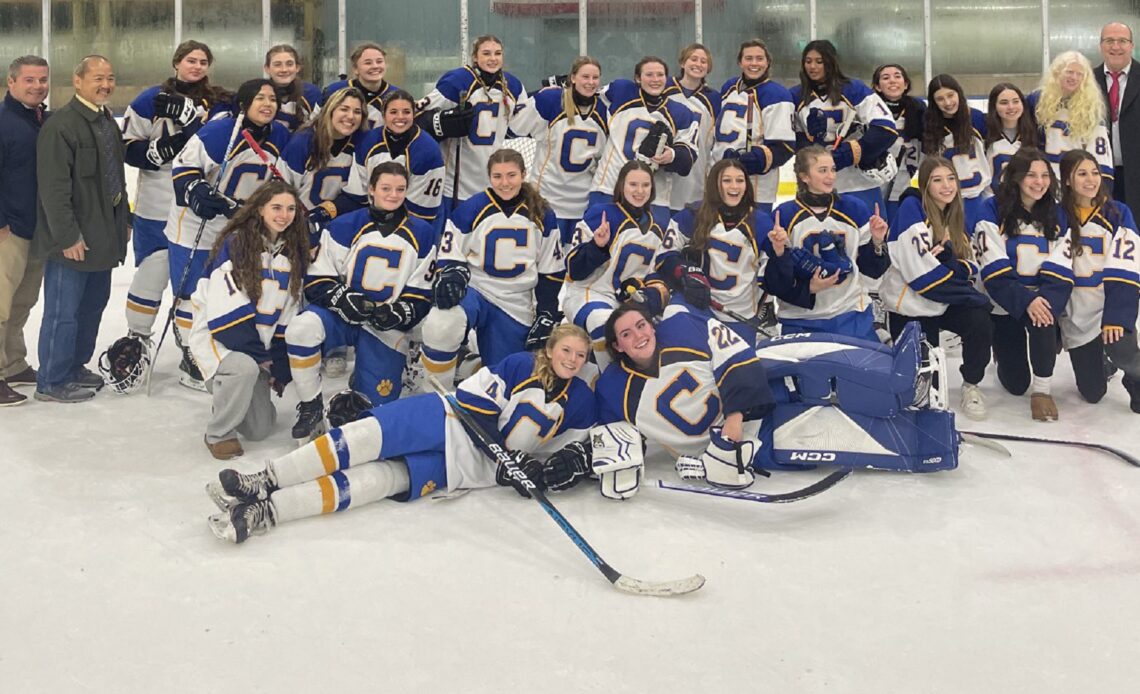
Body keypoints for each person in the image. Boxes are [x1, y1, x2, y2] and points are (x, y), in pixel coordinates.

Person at [204, 325, 597, 543]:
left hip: (468, 468)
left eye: (580, 356)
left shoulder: (579, 398)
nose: (572, 360)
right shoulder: (519, 364)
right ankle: (265, 480)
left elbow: (568, 450)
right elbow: (478, 410)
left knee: (379, 481)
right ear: (550, 349)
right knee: (358, 440)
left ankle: (267, 512)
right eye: (566, 351)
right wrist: (507, 458)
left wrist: (546, 471)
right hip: (447, 418)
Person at [580, 301, 956, 496]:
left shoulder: (679, 326)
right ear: (617, 346)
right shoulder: (614, 390)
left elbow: (735, 354)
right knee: (832, 434)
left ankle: (901, 376)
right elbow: (611, 439)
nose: (639, 335)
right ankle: (928, 438)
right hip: (741, 446)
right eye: (627, 334)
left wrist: (734, 417)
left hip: (747, 396)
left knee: (804, 353)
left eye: (641, 325)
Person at [110, 41, 231, 390]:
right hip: (156, 202)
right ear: (176, 62)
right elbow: (128, 149)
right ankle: (137, 340)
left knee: (190, 283)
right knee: (152, 271)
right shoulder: (150, 99)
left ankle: (190, 347)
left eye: (203, 61)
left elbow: (221, 145)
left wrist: (193, 122)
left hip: (194, 208)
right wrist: (152, 154)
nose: (196, 66)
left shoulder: (221, 101)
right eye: (190, 60)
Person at [285, 162, 436, 440]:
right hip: (341, 317)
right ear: (371, 190)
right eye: (386, 188)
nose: (393, 195)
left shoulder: (423, 233)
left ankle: (370, 372)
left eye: (400, 189)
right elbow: (318, 281)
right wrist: (342, 298)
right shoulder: (344, 226)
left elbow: (422, 293)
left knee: (376, 415)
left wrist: (398, 313)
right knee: (300, 329)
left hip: (383, 325)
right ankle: (311, 406)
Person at [166, 78, 291, 390]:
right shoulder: (220, 132)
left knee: (230, 292)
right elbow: (183, 168)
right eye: (260, 98)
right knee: (191, 293)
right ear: (243, 104)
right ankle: (191, 357)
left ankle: (225, 351)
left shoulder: (281, 137)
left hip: (239, 228)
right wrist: (195, 189)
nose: (267, 104)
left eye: (272, 99)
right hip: (197, 227)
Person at [417, 148, 564, 388]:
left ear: (523, 174)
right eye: (497, 176)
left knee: (507, 377)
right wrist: (452, 275)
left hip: (515, 302)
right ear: (489, 177)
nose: (504, 183)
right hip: (477, 289)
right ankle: (434, 393)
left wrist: (546, 312)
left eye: (511, 175)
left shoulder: (543, 215)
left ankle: (468, 365)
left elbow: (551, 270)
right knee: (442, 322)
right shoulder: (470, 209)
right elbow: (449, 256)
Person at [188, 180, 310, 460]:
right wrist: (259, 357)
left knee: (259, 429)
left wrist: (277, 364)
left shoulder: (290, 253)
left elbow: (287, 314)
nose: (284, 215)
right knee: (242, 368)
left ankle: (231, 397)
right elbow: (224, 317)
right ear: (259, 209)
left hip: (256, 350)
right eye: (276, 207)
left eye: (291, 209)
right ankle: (218, 434)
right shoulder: (237, 244)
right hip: (219, 339)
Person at [32, 55, 128, 404]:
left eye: (110, 78)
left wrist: (124, 223)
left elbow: (116, 179)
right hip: (73, 241)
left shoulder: (106, 121)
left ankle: (74, 367)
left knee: (91, 307)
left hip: (104, 238)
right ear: (77, 81)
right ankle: (51, 379)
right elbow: (54, 189)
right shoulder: (61, 126)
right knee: (63, 313)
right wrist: (68, 236)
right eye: (97, 78)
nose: (105, 84)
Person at [877, 157, 994, 420]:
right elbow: (924, 278)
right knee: (921, 394)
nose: (946, 186)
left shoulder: (955, 217)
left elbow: (972, 266)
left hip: (943, 302)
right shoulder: (911, 208)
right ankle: (884, 336)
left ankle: (971, 384)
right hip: (911, 306)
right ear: (925, 184)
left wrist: (951, 264)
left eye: (951, 179)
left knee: (980, 320)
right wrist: (964, 286)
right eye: (937, 180)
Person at [972, 147, 1073, 421]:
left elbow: (1063, 262)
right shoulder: (991, 209)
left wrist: (1041, 299)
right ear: (1015, 177)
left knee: (1043, 316)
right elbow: (992, 267)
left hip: (1042, 298)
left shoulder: (1058, 213)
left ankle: (1042, 391)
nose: (1039, 182)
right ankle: (1003, 348)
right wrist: (1025, 300)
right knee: (1015, 384)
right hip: (1005, 301)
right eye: (1031, 175)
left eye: (1044, 175)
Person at [763, 145, 891, 341]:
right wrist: (807, 288)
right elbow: (775, 283)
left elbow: (873, 270)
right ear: (804, 176)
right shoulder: (784, 216)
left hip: (850, 314)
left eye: (832, 169)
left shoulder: (854, 209)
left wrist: (877, 241)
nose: (831, 176)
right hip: (799, 318)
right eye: (822, 171)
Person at [562, 160, 677, 368]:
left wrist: (648, 294)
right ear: (621, 186)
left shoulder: (658, 225)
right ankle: (613, 379)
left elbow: (656, 274)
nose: (639, 191)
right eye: (633, 184)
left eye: (645, 185)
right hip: (589, 293)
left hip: (627, 301)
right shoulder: (601, 214)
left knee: (671, 325)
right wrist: (597, 246)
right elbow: (573, 269)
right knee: (604, 324)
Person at [1055, 149, 1140, 406]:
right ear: (1067, 180)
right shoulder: (1056, 216)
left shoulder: (1117, 213)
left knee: (1125, 353)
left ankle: (1134, 377)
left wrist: (1117, 317)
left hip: (1107, 304)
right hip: (1076, 310)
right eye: (1082, 174)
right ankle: (1102, 361)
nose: (1091, 180)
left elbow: (1127, 265)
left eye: (1095, 173)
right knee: (1093, 394)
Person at [667, 158, 774, 344]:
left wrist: (781, 252)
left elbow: (771, 280)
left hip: (741, 317)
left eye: (740, 180)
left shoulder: (761, 222)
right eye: (727, 180)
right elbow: (664, 256)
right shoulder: (693, 215)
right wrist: (684, 272)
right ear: (715, 183)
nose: (735, 186)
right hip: (699, 311)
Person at [417, 35, 526, 216]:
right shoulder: (458, 81)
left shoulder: (513, 86)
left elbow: (521, 123)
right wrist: (440, 122)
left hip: (492, 181)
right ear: (475, 57)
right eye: (486, 53)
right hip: (454, 183)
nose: (493, 58)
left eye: (497, 53)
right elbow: (419, 116)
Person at [509, 56, 609, 248]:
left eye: (595, 78)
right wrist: (537, 93)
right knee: (544, 258)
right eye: (585, 76)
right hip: (548, 198)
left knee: (573, 261)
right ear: (572, 78)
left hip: (583, 201)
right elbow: (515, 125)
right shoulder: (553, 100)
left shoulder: (605, 109)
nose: (590, 82)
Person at [790, 40, 898, 210]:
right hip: (818, 188)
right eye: (808, 61)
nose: (813, 66)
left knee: (873, 235)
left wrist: (849, 153)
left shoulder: (854, 90)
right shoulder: (796, 96)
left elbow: (887, 129)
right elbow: (791, 139)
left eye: (819, 61)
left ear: (831, 62)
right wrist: (809, 145)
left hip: (859, 185)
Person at [587, 56, 698, 218]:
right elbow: (587, 92)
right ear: (638, 78)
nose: (655, 80)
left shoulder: (681, 113)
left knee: (647, 243)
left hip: (653, 197)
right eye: (649, 75)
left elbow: (688, 159)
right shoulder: (622, 92)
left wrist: (671, 156)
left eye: (660, 75)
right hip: (609, 188)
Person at [0, 56, 49, 407]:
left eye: (42, 80)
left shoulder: (42, 120)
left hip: (36, 230)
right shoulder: (3, 121)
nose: (37, 86)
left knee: (22, 303)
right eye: (29, 80)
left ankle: (13, 364)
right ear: (11, 82)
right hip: (8, 230)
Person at [339, 89, 446, 231]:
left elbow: (423, 212)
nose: (400, 117)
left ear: (414, 114)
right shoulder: (367, 142)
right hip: (372, 219)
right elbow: (358, 195)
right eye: (393, 112)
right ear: (383, 115)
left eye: (406, 112)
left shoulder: (428, 149)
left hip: (413, 225)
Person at [712, 39, 796, 215]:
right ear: (740, 62)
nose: (754, 63)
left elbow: (785, 147)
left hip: (756, 188)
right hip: (720, 181)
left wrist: (753, 160)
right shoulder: (729, 87)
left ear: (767, 62)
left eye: (759, 58)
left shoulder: (777, 94)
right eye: (748, 58)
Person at [279, 86, 367, 235]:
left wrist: (323, 212)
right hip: (298, 229)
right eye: (344, 109)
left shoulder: (361, 143)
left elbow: (358, 196)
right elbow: (281, 188)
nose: (351, 116)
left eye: (357, 111)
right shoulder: (302, 143)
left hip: (340, 228)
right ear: (330, 110)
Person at [1029, 51, 1113, 184]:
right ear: (1057, 72)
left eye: (1079, 74)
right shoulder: (1036, 101)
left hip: (1076, 182)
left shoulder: (1092, 108)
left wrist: (1102, 188)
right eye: (1069, 72)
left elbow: (1100, 155)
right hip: (1044, 181)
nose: (1074, 77)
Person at [922, 74, 990, 220]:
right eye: (940, 99)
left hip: (976, 197)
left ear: (958, 93)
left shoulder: (976, 118)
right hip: (946, 199)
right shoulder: (930, 124)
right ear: (934, 102)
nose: (947, 102)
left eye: (950, 95)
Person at [668, 44, 721, 212]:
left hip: (695, 175)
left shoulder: (714, 99)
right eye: (693, 59)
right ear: (682, 63)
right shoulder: (663, 88)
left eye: (704, 61)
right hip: (663, 173)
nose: (698, 64)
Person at [872, 63, 925, 224]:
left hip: (902, 185)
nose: (892, 81)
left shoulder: (918, 109)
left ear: (906, 84)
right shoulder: (870, 110)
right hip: (873, 185)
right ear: (877, 86)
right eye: (885, 78)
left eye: (897, 76)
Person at [1096, 22, 1140, 213]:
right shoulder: (1087, 79)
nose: (1115, 47)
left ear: (1132, 45)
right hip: (1100, 176)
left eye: (1122, 41)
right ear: (1101, 46)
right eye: (1109, 41)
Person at [323, 42, 400, 130]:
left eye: (379, 61)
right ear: (355, 69)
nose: (375, 66)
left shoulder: (397, 96)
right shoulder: (334, 91)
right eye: (368, 63)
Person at [984, 82, 1037, 193]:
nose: (1011, 107)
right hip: (992, 200)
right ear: (994, 106)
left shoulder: (1033, 132)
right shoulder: (984, 130)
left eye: (1016, 101)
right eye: (1004, 103)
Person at [264, 44, 323, 132]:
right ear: (267, 69)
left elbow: (318, 131)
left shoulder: (311, 93)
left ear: (297, 67)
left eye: (289, 64)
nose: (284, 69)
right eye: (277, 65)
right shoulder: (258, 94)